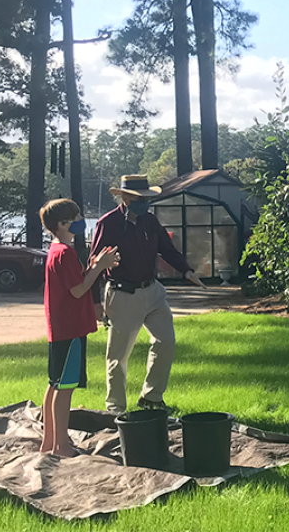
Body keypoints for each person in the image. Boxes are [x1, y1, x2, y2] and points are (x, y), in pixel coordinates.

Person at [89, 174, 206, 415]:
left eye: (147, 199)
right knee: (118, 356)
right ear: (126, 198)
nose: (145, 203)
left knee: (166, 341)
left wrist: (187, 271)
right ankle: (115, 409)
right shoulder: (107, 224)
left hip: (153, 291)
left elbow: (167, 249)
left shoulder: (150, 221)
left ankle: (152, 398)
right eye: (140, 199)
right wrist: (94, 302)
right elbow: (94, 264)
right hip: (122, 294)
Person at [39, 199, 119, 456]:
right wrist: (98, 268)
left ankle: (50, 441)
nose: (81, 221)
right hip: (70, 330)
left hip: (60, 328)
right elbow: (78, 290)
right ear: (63, 224)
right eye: (77, 217)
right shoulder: (64, 253)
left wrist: (93, 266)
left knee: (55, 384)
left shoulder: (56, 250)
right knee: (65, 388)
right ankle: (61, 445)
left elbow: (75, 281)